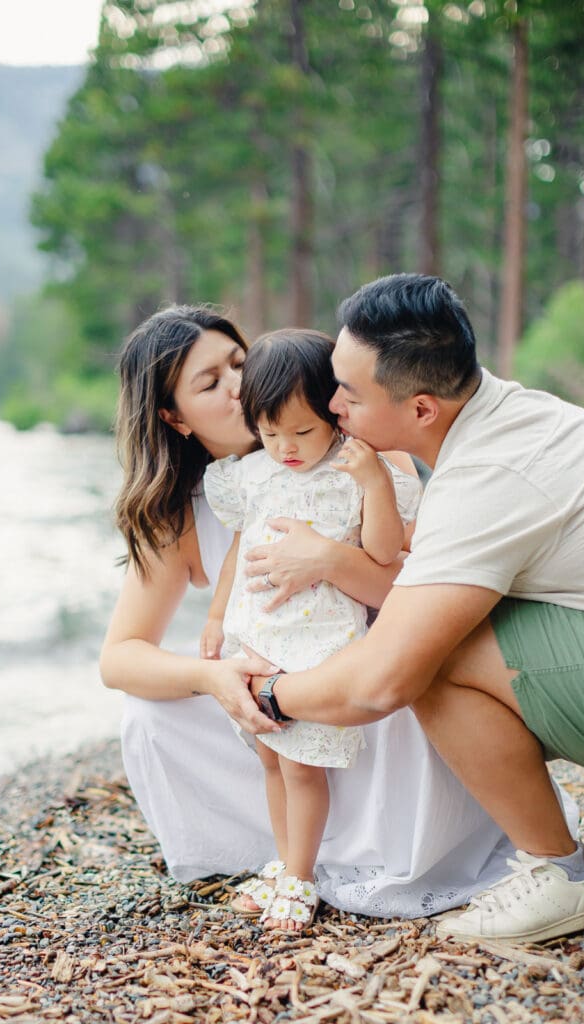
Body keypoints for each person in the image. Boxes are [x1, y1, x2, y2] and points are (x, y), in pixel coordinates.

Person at [243, 273, 584, 944]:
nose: (332, 405)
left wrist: (272, 694)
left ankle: (562, 875)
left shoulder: (486, 475)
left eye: (350, 394)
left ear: (421, 409)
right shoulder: (505, 416)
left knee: (436, 653)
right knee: (469, 612)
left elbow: (382, 681)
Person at [99, 303, 521, 921]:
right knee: (148, 715)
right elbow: (119, 658)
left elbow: (434, 592)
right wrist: (217, 677)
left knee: (401, 682)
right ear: (174, 417)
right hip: (269, 691)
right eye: (210, 383)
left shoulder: (361, 450)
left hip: (372, 678)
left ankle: (368, 844)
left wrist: (328, 561)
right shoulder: (190, 506)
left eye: (239, 362)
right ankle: (277, 851)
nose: (240, 385)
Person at [201, 330, 421, 931]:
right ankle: (284, 860)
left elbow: (381, 554)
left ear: (333, 413)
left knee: (302, 768)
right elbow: (240, 546)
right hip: (258, 641)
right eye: (271, 434)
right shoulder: (251, 473)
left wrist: (374, 482)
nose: (286, 448)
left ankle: (302, 876)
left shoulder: (354, 468)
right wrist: (218, 617)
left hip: (317, 647)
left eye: (301, 432)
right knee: (271, 760)